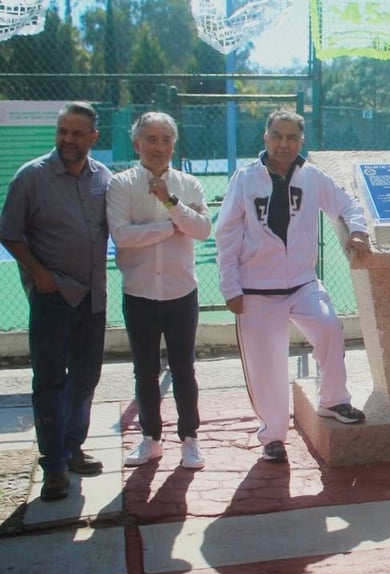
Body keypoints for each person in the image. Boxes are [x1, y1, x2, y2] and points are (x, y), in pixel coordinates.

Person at [215, 111, 371, 463]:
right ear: (265, 137)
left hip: (302, 283)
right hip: (256, 289)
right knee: (266, 365)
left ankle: (333, 401)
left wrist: (357, 229)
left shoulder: (312, 177)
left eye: (291, 137)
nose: (283, 144)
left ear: (302, 142)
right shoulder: (245, 179)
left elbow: (346, 203)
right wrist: (231, 287)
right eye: (276, 136)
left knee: (330, 327)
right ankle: (272, 435)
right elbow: (226, 235)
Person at [0, 102, 111, 501]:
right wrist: (41, 276)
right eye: (63, 131)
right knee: (50, 380)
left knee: (85, 378)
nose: (68, 139)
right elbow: (10, 232)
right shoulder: (31, 177)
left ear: (93, 138)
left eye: (78, 133)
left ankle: (73, 448)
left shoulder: (104, 178)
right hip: (52, 298)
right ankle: (54, 466)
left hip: (93, 300)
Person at [107, 112, 212, 470]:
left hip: (181, 292)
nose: (158, 146)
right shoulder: (121, 185)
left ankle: (190, 439)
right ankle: (150, 439)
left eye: (165, 139)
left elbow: (201, 230)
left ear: (174, 145)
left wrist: (171, 202)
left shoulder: (188, 184)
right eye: (150, 139)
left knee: (184, 368)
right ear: (137, 144)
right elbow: (122, 235)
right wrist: (172, 224)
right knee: (145, 369)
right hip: (138, 293)